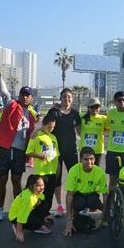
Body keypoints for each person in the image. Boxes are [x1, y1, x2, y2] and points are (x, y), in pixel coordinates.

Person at [0, 70, 38, 222]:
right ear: (19, 95)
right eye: (23, 93)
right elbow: (3, 91)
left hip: (19, 152)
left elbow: (34, 132)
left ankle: (16, 210)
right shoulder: (11, 104)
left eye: (27, 95)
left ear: (31, 98)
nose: (24, 96)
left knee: (16, 180)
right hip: (3, 148)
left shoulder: (31, 116)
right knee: (2, 180)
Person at [45, 88, 81, 217]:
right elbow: (45, 127)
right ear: (61, 98)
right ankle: (59, 206)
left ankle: (74, 206)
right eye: (65, 97)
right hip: (55, 151)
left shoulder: (75, 113)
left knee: (74, 177)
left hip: (71, 150)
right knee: (56, 179)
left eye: (69, 97)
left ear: (73, 99)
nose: (67, 99)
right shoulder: (54, 112)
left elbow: (80, 132)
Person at [64, 147, 108, 237]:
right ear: (80, 160)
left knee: (93, 202)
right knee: (79, 203)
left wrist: (102, 218)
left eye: (91, 159)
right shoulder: (73, 170)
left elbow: (105, 195)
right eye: (86, 159)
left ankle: (101, 211)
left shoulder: (100, 173)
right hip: (78, 195)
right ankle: (74, 212)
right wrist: (69, 221)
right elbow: (69, 195)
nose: (89, 162)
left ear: (95, 159)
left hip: (92, 195)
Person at [25, 114, 60, 221]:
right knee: (40, 195)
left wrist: (57, 170)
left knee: (49, 195)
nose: (51, 129)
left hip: (52, 172)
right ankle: (38, 214)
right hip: (41, 172)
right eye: (49, 126)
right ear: (43, 124)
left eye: (53, 127)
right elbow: (29, 152)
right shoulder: (36, 136)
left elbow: (56, 155)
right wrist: (38, 155)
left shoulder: (53, 137)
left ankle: (46, 213)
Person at [9, 175, 51, 242]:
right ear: (31, 186)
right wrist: (19, 232)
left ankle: (36, 224)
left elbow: (42, 199)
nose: (41, 188)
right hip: (16, 216)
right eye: (38, 186)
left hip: (25, 211)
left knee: (44, 204)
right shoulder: (28, 198)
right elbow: (21, 214)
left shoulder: (36, 192)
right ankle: (17, 225)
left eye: (42, 185)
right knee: (37, 224)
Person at [80, 97, 107, 166]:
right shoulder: (82, 119)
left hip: (97, 150)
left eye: (97, 107)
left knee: (95, 171)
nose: (95, 109)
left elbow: (108, 130)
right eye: (92, 107)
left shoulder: (104, 119)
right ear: (88, 108)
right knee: (84, 172)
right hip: (84, 150)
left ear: (100, 108)